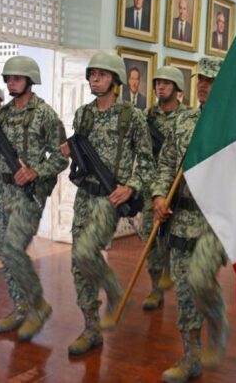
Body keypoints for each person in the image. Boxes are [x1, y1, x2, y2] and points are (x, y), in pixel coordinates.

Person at [57, 52, 154, 355]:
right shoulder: (83, 114)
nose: (94, 79)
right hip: (84, 195)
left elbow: (149, 164)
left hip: (110, 198)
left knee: (86, 251)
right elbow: (82, 154)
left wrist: (131, 187)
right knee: (78, 262)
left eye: (101, 74)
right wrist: (70, 152)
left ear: (115, 80)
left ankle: (113, 289)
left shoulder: (131, 116)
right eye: (91, 74)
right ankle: (91, 328)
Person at [152, 57, 229, 383]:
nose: (203, 86)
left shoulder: (234, 126)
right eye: (201, 81)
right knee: (184, 291)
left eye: (210, 81)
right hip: (182, 217)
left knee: (199, 281)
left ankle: (217, 318)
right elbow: (167, 163)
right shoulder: (182, 123)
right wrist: (158, 194)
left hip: (216, 220)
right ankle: (190, 356)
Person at [0, 56, 68, 341]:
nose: (11, 82)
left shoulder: (45, 114)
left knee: (12, 248)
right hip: (2, 192)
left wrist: (36, 172)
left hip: (28, 195)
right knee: (3, 251)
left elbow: (61, 156)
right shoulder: (2, 115)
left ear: (30, 81)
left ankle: (38, 305)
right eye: (8, 78)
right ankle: (20, 307)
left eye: (17, 78)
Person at [141, 65, 191, 311]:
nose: (161, 87)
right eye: (158, 82)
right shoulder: (146, 117)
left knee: (178, 240)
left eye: (166, 83)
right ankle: (155, 289)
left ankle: (182, 286)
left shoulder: (188, 117)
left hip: (181, 188)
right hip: (153, 186)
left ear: (177, 88)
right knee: (151, 240)